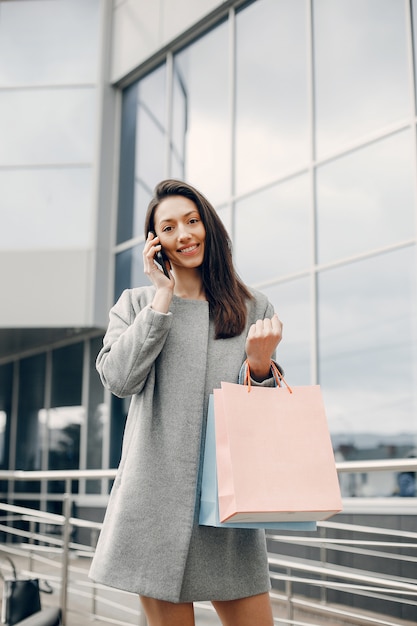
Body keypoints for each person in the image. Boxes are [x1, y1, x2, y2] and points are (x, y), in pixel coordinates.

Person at [89, 179, 283, 626]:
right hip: (153, 508)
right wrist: (161, 299)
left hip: (227, 510)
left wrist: (258, 364)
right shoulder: (136, 303)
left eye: (192, 221)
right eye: (170, 227)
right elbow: (118, 379)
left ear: (208, 227)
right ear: (156, 243)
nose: (185, 235)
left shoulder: (253, 307)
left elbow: (265, 415)